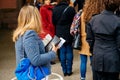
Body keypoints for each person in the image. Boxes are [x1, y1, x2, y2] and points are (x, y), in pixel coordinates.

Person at [12, 5, 59, 80]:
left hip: (27, 74)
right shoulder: (30, 34)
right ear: (35, 18)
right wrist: (53, 53)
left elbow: (29, 53)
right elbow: (36, 60)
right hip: (34, 75)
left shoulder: (20, 33)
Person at [70, 0, 105, 79]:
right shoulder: (96, 15)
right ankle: (94, 77)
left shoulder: (81, 14)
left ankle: (82, 77)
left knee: (83, 61)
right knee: (93, 62)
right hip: (93, 40)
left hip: (82, 40)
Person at [86, 0, 120, 80]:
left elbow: (90, 40)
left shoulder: (94, 19)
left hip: (97, 57)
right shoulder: (118, 21)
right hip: (113, 59)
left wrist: (94, 51)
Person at [52, 0, 76, 76]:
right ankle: (69, 70)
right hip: (69, 32)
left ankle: (64, 71)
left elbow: (53, 22)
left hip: (59, 33)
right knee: (69, 50)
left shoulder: (55, 9)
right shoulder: (70, 9)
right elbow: (74, 21)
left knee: (62, 51)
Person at [39, 0, 56, 64]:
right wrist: (49, 27)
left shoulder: (51, 8)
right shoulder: (43, 9)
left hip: (52, 28)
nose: (48, 1)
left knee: (52, 42)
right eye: (46, 0)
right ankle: (49, 59)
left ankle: (51, 58)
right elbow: (43, 21)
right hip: (47, 28)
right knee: (48, 42)